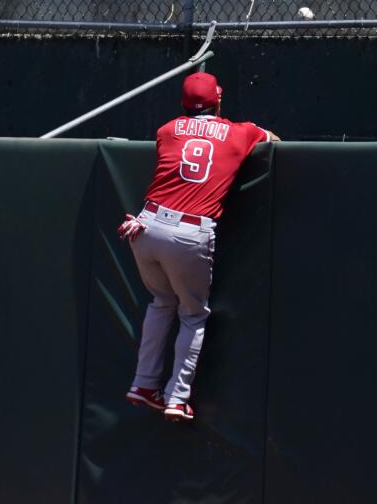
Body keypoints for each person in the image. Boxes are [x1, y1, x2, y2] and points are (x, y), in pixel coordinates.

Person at [118, 72, 278, 423]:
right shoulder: (242, 131)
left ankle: (143, 384)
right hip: (187, 233)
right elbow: (276, 142)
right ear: (219, 100)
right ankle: (177, 397)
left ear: (183, 103)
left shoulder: (166, 129)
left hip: (145, 225)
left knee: (162, 302)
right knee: (193, 314)